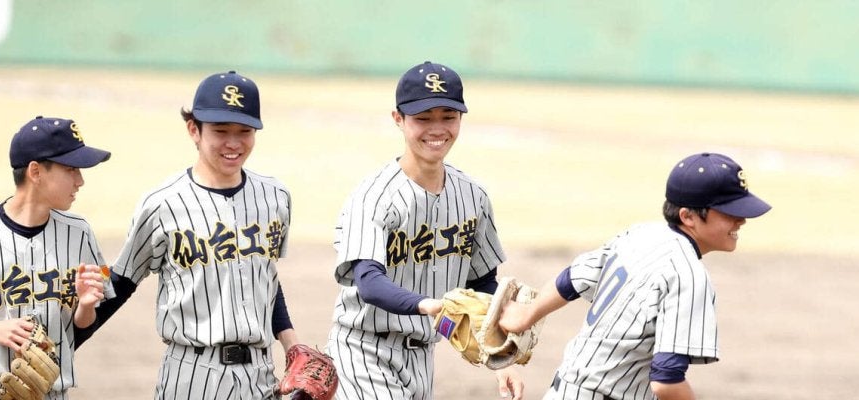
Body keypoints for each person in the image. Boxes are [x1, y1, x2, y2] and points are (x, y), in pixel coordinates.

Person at [75, 71, 301, 399]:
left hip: (260, 376)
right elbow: (121, 281)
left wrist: (292, 344)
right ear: (194, 129)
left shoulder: (275, 197)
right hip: (192, 374)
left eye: (245, 131)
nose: (233, 143)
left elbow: (264, 276)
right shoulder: (162, 204)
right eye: (220, 131)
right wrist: (63, 347)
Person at [499, 152, 772, 400]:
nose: (741, 220)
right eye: (729, 212)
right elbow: (666, 381)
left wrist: (528, 313)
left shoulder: (640, 234)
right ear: (688, 216)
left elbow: (572, 279)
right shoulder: (688, 275)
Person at [325, 61, 525, 400]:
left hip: (422, 361)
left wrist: (500, 359)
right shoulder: (373, 196)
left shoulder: (472, 196)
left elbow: (482, 283)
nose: (437, 129)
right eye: (423, 118)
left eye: (448, 116)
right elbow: (369, 283)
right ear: (398, 119)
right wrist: (431, 305)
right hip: (362, 354)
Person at [0, 115, 112, 399]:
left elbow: (83, 325)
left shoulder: (80, 233)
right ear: (35, 172)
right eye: (71, 169)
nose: (80, 180)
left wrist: (86, 306)